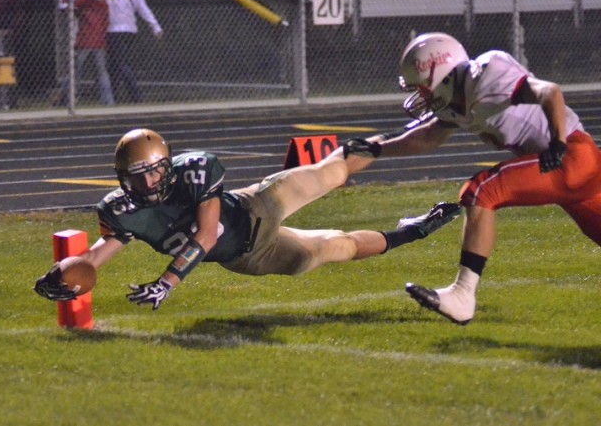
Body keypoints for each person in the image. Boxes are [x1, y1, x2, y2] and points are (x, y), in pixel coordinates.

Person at [34, 128, 461, 310]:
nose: (146, 184)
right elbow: (102, 250)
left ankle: (399, 140)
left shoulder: (197, 169)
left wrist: (167, 283)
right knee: (335, 247)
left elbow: (204, 232)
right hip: (250, 255)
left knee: (330, 171)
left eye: (152, 172)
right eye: (137, 177)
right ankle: (412, 231)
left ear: (167, 165)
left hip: (255, 206)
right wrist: (69, 272)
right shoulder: (118, 209)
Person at [343, 32, 601, 325]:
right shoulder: (457, 98)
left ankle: (462, 295)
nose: (420, 95)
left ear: (438, 74)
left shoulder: (488, 75)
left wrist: (557, 142)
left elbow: (549, 92)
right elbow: (427, 137)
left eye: (421, 87)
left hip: (572, 157)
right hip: (572, 166)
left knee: (481, 191)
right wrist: (377, 148)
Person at [100, 0, 163, 104]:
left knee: (119, 63)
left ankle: (135, 95)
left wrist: (155, 26)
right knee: (115, 64)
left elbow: (141, 8)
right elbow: (143, 9)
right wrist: (155, 26)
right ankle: (115, 96)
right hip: (126, 30)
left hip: (116, 30)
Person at [54, 0, 114, 107]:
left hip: (85, 37)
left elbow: (65, 5)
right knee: (102, 71)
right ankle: (108, 101)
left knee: (75, 70)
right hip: (99, 39)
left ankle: (67, 98)